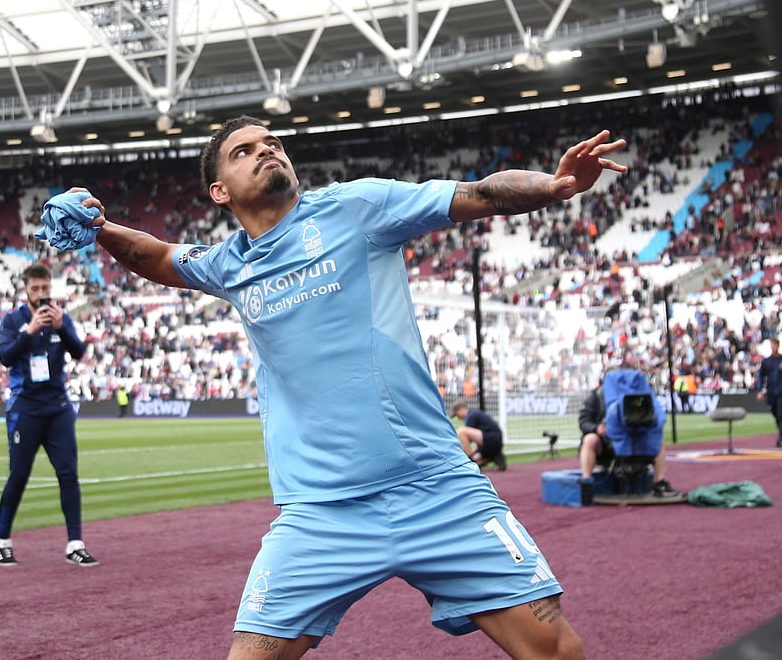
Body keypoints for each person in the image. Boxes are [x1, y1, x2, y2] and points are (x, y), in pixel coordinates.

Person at [61, 115, 627, 658]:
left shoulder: (357, 207)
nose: (266, 150)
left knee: (556, 650)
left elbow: (477, 192)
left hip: (438, 489)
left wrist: (552, 187)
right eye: (244, 151)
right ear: (219, 192)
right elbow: (157, 256)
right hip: (320, 513)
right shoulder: (229, 264)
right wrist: (99, 226)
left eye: (272, 142)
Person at [0, 262, 99, 568]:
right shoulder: (13, 320)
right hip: (25, 408)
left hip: (58, 408)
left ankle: (75, 544)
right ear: (25, 289)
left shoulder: (59, 317)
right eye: (35, 289)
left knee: (68, 474)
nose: (41, 294)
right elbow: (6, 356)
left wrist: (62, 326)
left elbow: (78, 352)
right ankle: (2, 541)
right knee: (19, 475)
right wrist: (29, 331)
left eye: (45, 289)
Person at [577, 378, 678, 505]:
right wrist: (597, 428)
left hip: (636, 439)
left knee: (658, 439)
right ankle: (587, 484)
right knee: (590, 439)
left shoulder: (641, 395)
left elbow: (654, 418)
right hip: (606, 444)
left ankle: (659, 481)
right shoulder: (596, 395)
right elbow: (583, 421)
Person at [755, 337, 782, 447]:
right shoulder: (766, 362)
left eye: (775, 345)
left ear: (778, 345)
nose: (773, 347)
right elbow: (761, 376)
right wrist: (760, 390)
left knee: (781, 414)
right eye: (772, 345)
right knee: (775, 414)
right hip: (771, 392)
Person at [451, 402, 507, 471]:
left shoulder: (471, 415)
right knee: (477, 460)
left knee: (461, 431)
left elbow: (467, 439)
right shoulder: (475, 414)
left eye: (457, 414)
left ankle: (468, 461)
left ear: (461, 409)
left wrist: (467, 453)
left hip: (491, 440)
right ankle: (493, 456)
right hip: (493, 441)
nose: (458, 417)